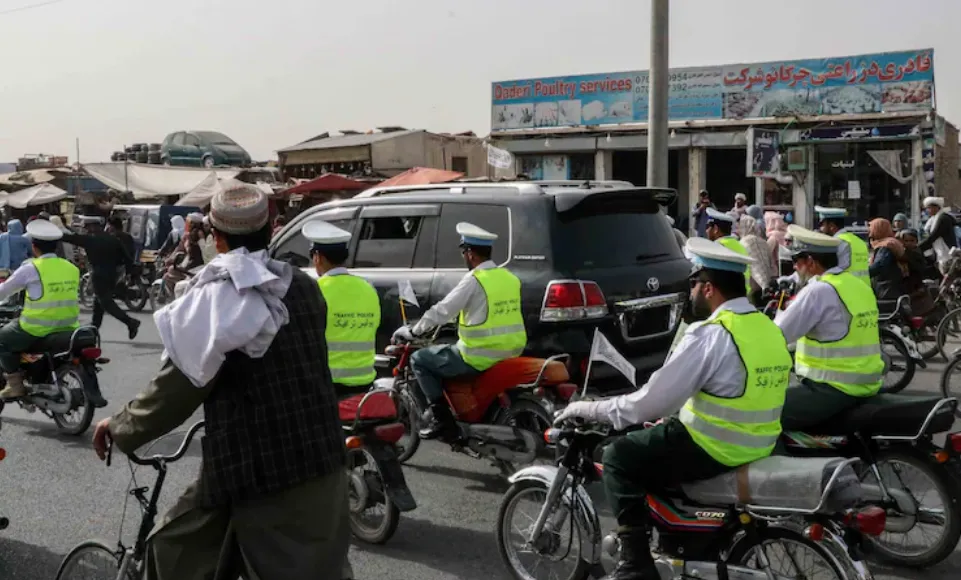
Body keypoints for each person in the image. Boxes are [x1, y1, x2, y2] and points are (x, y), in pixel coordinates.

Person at [91, 183, 351, 580]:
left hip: (256, 469)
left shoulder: (224, 298)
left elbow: (179, 386)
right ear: (272, 228)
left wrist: (121, 426)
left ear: (216, 237)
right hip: (322, 455)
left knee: (170, 549)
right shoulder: (302, 287)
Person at [555, 237, 792, 580]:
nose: (690, 291)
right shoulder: (767, 327)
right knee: (656, 441)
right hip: (761, 442)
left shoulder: (711, 334)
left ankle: (635, 564)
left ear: (709, 288)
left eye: (693, 283)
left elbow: (648, 404)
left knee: (619, 455)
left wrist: (592, 409)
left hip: (714, 446)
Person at [393, 222, 526, 440]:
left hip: (478, 356)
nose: (464, 257)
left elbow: (443, 310)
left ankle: (441, 420)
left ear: (471, 253)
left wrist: (415, 331)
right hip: (512, 350)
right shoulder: (510, 278)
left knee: (420, 359)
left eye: (464, 252)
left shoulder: (474, 280)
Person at [774, 225, 884, 431]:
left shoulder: (819, 291)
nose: (794, 268)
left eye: (796, 262)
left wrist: (780, 309)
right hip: (867, 384)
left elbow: (778, 334)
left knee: (766, 413)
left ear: (811, 262)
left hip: (832, 388)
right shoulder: (858, 285)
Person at [0, 220, 105, 405]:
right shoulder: (71, 268)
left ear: (34, 247)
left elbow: (4, 291)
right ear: (56, 246)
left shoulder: (30, 268)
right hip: (69, 326)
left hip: (35, 329)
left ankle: (15, 383)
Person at [303, 219, 380, 397]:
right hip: (365, 382)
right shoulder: (368, 288)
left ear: (317, 257)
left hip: (328, 384)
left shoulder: (316, 289)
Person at [62, 218, 140, 339]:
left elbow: (70, 238)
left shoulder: (90, 239)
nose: (86, 230)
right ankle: (94, 328)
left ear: (93, 227)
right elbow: (128, 259)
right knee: (98, 302)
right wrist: (130, 275)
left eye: (87, 228)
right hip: (113, 274)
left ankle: (130, 322)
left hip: (98, 274)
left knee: (106, 302)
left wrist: (52, 233)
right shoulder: (114, 239)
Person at [814, 205, 870, 283]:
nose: (820, 229)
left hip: (847, 290)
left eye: (822, 225)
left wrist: (816, 279)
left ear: (831, 226)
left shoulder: (837, 242)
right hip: (864, 290)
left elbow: (838, 270)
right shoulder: (859, 241)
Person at [705, 208, 751, 295]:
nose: (706, 231)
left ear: (715, 229)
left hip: (726, 296)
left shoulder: (717, 246)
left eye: (707, 227)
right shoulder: (739, 245)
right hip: (743, 294)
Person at [738, 215, 776, 304]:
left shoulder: (743, 243)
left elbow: (754, 266)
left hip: (751, 287)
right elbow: (771, 263)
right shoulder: (763, 242)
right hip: (767, 286)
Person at [867, 218, 906, 302]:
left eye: (872, 229)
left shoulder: (885, 246)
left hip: (886, 290)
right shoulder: (890, 243)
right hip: (892, 288)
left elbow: (879, 266)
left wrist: (862, 274)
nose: (869, 233)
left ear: (879, 229)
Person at [919, 196, 957, 273]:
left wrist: (917, 248)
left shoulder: (943, 218)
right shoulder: (933, 219)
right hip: (940, 255)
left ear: (936, 207)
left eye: (929, 208)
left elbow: (933, 236)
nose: (927, 210)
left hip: (947, 254)